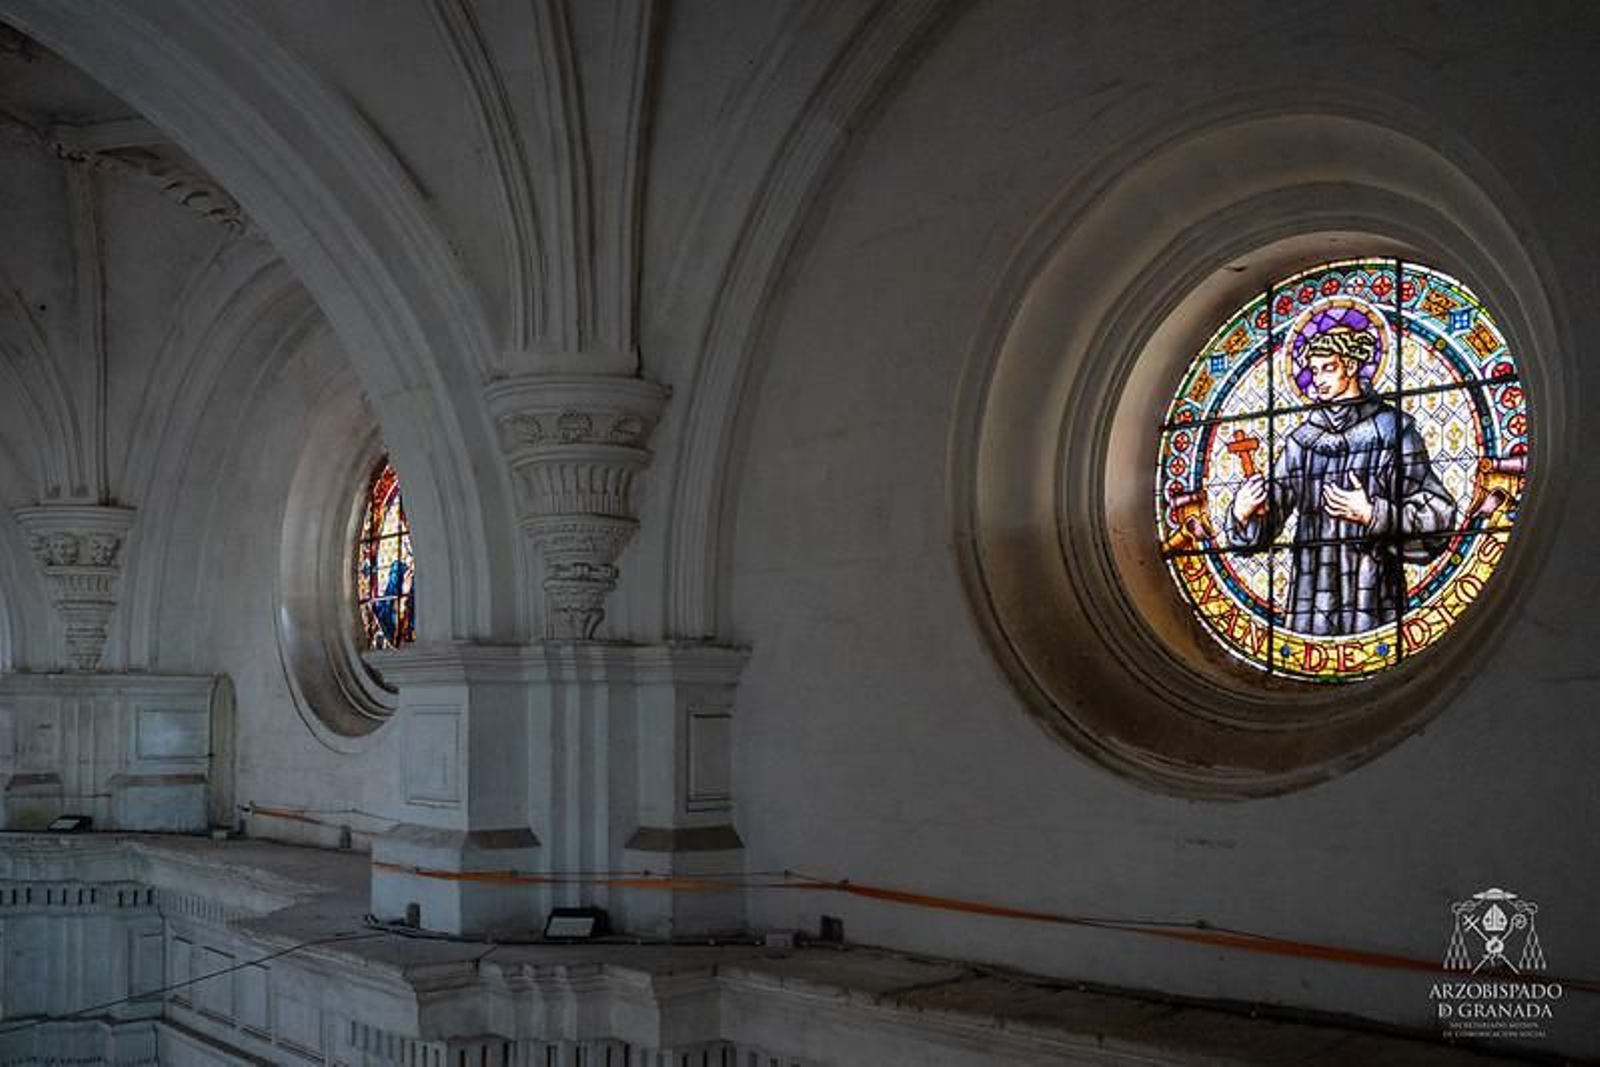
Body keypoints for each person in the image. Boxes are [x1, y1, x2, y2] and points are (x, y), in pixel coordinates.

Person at [1229, 316, 1456, 636]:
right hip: (1310, 593)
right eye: (1312, 370)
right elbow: (1269, 519)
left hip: (1373, 591)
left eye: (1327, 368)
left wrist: (1372, 514)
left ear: (1350, 366)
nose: (1316, 380)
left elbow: (1438, 516)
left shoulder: (1393, 430)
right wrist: (1243, 512)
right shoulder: (1301, 441)